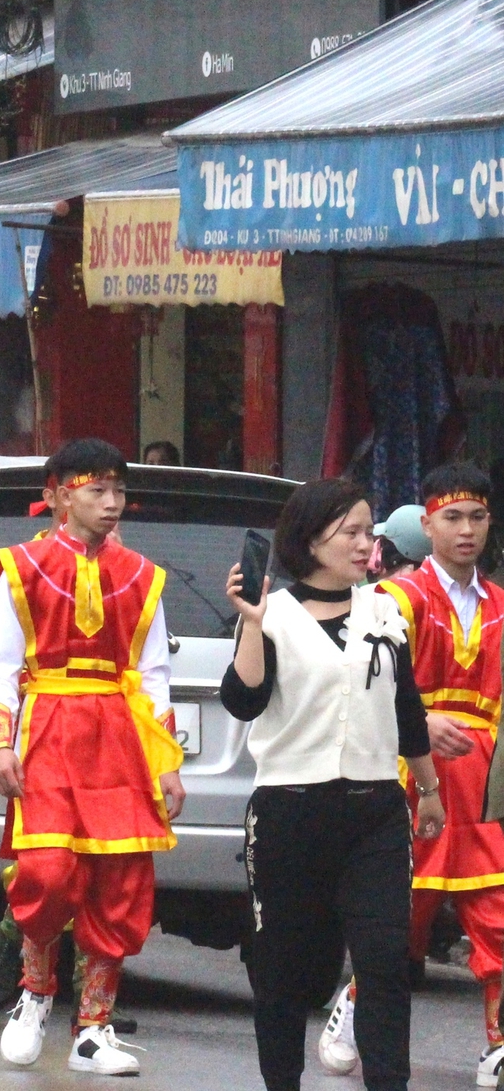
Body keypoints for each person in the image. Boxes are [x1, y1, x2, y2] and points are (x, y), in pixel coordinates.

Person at [220, 477, 442, 1091]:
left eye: (368, 531)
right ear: (311, 540)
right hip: (290, 813)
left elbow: (406, 709)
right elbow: (242, 701)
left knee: (384, 964)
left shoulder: (384, 609)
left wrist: (428, 788)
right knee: (285, 972)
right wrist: (250, 626)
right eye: (351, 532)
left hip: (374, 813)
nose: (365, 543)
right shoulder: (276, 614)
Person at [0, 438, 186, 1076]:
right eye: (96, 490)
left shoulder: (142, 575)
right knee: (46, 870)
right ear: (56, 495)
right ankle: (36, 990)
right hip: (48, 727)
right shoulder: (21, 567)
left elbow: (154, 676)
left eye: (118, 492)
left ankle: (93, 1029)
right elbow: (2, 668)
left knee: (119, 883)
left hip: (119, 738)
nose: (110, 503)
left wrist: (168, 762)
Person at [372, 466, 504, 1086]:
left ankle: (498, 1042)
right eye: (452, 518)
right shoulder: (397, 599)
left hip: (483, 781)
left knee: (497, 910)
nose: (467, 530)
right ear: (426, 525)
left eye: (477, 516)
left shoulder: (503, 607)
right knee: (400, 916)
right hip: (407, 773)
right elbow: (364, 684)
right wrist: (422, 719)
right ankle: (355, 1005)